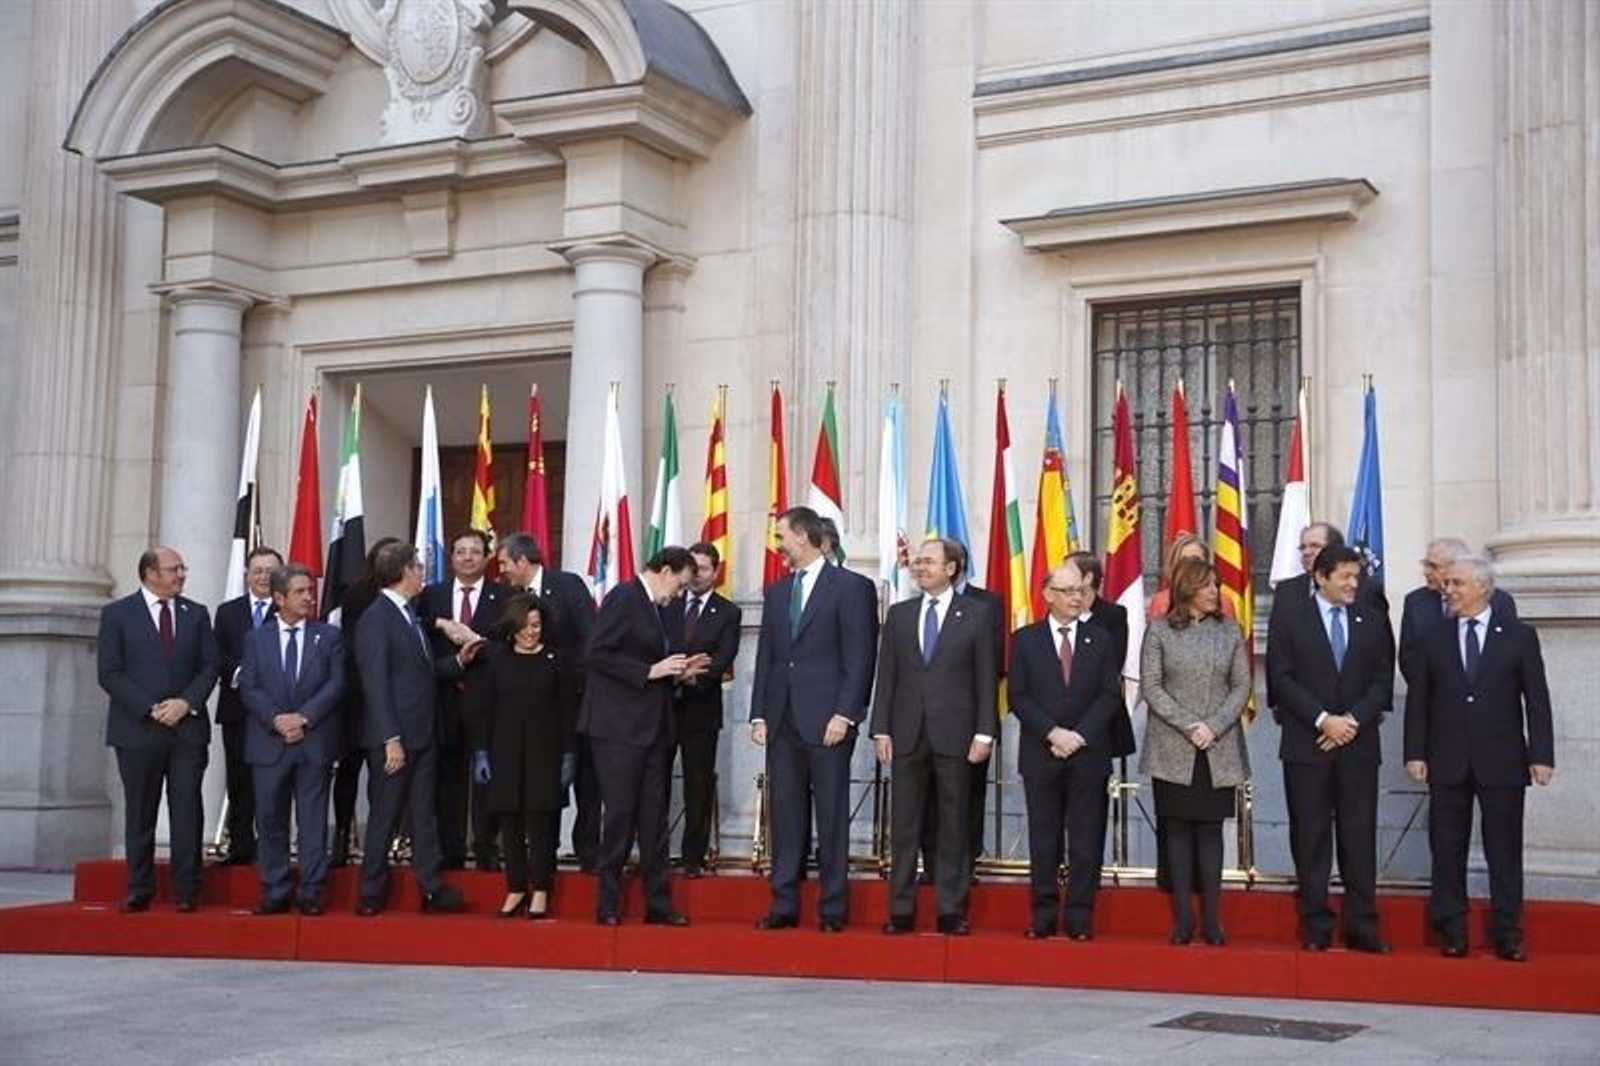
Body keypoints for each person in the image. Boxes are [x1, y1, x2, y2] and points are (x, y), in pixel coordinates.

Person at [1405, 556, 1554, 962]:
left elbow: (1536, 700)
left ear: (1482, 588)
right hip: (1447, 758)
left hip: (1503, 760)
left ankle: (1508, 933)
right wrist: (1415, 752)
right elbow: (1419, 701)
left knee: (1504, 850)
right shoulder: (1434, 637)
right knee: (1447, 849)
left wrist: (1541, 754)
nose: (1448, 590)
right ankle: (1452, 930)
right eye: (1447, 583)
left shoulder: (1519, 637)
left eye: (1456, 583)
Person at [751, 506, 879, 933]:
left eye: (782, 535)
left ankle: (832, 909)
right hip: (782, 721)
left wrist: (846, 713)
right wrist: (759, 715)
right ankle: (783, 904)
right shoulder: (776, 591)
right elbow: (768, 656)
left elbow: (860, 658)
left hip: (828, 721)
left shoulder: (852, 587)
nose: (778, 543)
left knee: (830, 815)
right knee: (784, 816)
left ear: (802, 536)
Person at [1266, 544, 1395, 953]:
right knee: (1311, 837)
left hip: (1358, 746)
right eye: (1345, 577)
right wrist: (1324, 720)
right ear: (1321, 577)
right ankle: (1316, 925)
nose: (1353, 584)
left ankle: (1363, 926)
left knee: (1358, 838)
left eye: (1356, 576)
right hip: (1308, 745)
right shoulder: (1291, 618)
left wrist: (1351, 722)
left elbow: (1382, 678)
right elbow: (1281, 678)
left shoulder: (1371, 618)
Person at [871, 537, 997, 936]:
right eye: (917, 562)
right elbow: (886, 675)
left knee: (954, 824)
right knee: (904, 825)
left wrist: (985, 733)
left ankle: (950, 910)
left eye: (929, 561)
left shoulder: (976, 615)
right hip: (906, 734)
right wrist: (881, 727)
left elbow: (985, 680)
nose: (920, 567)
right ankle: (901, 910)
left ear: (952, 568)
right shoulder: (901, 614)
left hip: (956, 735)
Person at [354, 542, 482, 916]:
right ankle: (370, 893)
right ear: (405, 571)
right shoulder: (376, 617)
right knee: (386, 815)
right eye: (419, 567)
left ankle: (431, 887)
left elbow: (419, 673)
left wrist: (458, 661)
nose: (423, 573)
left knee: (424, 814)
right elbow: (375, 684)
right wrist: (390, 739)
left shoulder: (408, 615)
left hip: (423, 734)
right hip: (395, 739)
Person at [96, 547, 219, 913]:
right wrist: (149, 708)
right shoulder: (117, 614)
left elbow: (209, 666)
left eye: (182, 568)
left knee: (186, 808)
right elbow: (110, 672)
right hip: (137, 729)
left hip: (187, 729)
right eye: (173, 569)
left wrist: (185, 703)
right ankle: (139, 888)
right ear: (150, 573)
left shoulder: (195, 614)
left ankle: (186, 889)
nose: (181, 574)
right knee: (140, 810)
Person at [580, 546, 697, 926]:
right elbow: (597, 653)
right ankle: (608, 904)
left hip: (652, 728)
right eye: (678, 586)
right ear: (664, 570)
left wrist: (677, 670)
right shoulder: (624, 597)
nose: (678, 595)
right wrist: (649, 671)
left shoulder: (658, 610)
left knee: (654, 818)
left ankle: (658, 903)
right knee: (619, 815)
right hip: (617, 728)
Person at [1140, 558, 1252, 946]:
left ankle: (1213, 920)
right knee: (1178, 831)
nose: (1214, 591)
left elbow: (1241, 686)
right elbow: (1152, 688)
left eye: (1216, 584)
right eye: (1206, 585)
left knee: (1210, 832)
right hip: (1173, 746)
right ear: (1186, 588)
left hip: (1217, 747)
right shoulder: (1158, 631)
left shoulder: (1230, 630)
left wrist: (1213, 726)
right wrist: (1190, 725)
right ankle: (1184, 919)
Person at [1008, 563, 1122, 940]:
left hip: (1088, 754)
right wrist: (1053, 733)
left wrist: (1079, 736)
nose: (1077, 597)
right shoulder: (1025, 639)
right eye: (1069, 590)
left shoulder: (1101, 638)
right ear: (1048, 594)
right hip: (1042, 753)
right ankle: (1042, 916)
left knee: (1086, 840)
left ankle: (1079, 919)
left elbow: (1109, 696)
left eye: (1081, 590)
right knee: (1044, 839)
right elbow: (1018, 697)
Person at [238, 563, 345, 916]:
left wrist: (304, 717)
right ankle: (276, 888)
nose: (308, 597)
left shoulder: (328, 636)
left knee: (313, 820)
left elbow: (336, 684)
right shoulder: (257, 638)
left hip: (313, 742)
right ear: (279, 597)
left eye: (310, 591)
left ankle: (312, 890)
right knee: (270, 819)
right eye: (300, 592)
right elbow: (249, 687)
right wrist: (276, 719)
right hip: (269, 743)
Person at [465, 593, 580, 919]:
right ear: (512, 627)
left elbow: (568, 712)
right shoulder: (497, 661)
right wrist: (482, 752)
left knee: (541, 827)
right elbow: (483, 710)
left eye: (537, 625)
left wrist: (570, 755)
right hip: (505, 755)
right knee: (511, 827)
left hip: (546, 755)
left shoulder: (557, 660)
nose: (532, 632)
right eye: (526, 626)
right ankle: (516, 889)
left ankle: (541, 890)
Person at [497, 531, 599, 869]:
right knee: (543, 780)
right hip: (534, 708)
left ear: (522, 561)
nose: (502, 571)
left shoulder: (567, 585)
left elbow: (589, 637)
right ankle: (545, 851)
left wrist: (573, 685)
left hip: (576, 699)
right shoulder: (512, 598)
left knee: (584, 778)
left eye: (504, 564)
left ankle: (588, 850)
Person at [418, 530, 509, 871]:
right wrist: (440, 623)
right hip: (444, 699)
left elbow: (512, 646)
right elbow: (416, 631)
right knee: (448, 776)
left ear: (487, 558)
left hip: (489, 700)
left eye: (475, 552)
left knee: (488, 779)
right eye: (460, 551)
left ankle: (486, 846)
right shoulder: (432, 596)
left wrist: (478, 642)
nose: (468, 557)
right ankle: (450, 847)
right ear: (451, 557)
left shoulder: (504, 596)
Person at [662, 541, 743, 877]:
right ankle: (654, 852)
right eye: (692, 569)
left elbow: (722, 659)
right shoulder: (668, 604)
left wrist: (691, 677)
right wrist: (681, 671)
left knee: (698, 784)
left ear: (716, 571)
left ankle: (692, 857)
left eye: (704, 569)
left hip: (701, 709)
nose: (696, 576)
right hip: (662, 705)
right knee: (656, 782)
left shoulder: (727, 612)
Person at [328, 535, 400, 867]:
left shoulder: (409, 597)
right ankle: (342, 834)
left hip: (389, 701)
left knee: (381, 774)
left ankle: (381, 840)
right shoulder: (357, 595)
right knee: (348, 770)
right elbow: (353, 644)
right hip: (356, 698)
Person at [212, 546, 283, 866]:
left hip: (276, 712)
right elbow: (216, 655)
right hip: (237, 710)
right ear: (247, 574)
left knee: (273, 782)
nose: (264, 577)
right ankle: (241, 845)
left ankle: (272, 846)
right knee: (239, 779)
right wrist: (244, 672)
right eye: (258, 570)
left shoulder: (288, 610)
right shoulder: (228, 612)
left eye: (271, 571)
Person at [1398, 537, 1518, 688]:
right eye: (1425, 564)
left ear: (1456, 567)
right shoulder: (1415, 602)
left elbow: (1509, 655)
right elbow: (1408, 657)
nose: (1426, 572)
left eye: (1433, 566)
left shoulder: (1499, 602)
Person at [1147, 534, 1236, 621]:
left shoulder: (1223, 603)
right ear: (1174, 564)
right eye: (1184, 560)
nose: (1189, 567)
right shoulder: (1160, 602)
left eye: (1196, 560)